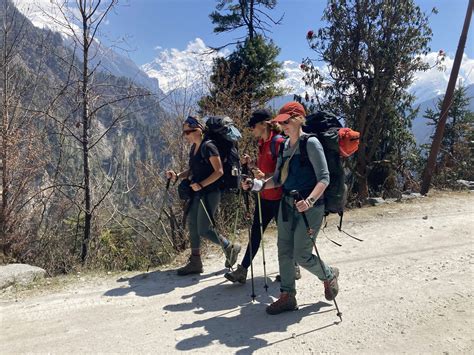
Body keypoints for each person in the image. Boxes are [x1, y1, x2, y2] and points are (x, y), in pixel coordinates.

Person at [242, 102, 339, 315]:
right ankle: (287, 296)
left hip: (310, 208)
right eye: (281, 122)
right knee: (284, 250)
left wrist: (310, 201)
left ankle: (328, 274)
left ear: (297, 119)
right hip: (286, 205)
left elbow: (324, 178)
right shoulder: (285, 146)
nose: (283, 125)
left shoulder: (311, 143)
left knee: (302, 254)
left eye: (286, 121)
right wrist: (256, 185)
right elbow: (278, 179)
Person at [225, 109, 301, 284]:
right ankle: (242, 271)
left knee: (284, 237)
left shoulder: (279, 142)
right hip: (265, 197)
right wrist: (251, 165)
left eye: (253, 125)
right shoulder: (262, 143)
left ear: (263, 124)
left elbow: (284, 172)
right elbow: (263, 172)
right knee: (255, 235)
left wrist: (263, 174)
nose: (251, 129)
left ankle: (293, 268)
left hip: (280, 198)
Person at [166, 116, 241, 276]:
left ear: (198, 130)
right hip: (198, 192)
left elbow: (219, 171)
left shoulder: (209, 146)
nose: (186, 135)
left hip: (210, 192)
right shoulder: (194, 148)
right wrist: (178, 175)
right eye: (184, 133)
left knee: (204, 229)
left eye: (188, 131)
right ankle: (195, 261)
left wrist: (201, 184)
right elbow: (193, 171)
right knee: (193, 224)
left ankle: (230, 247)